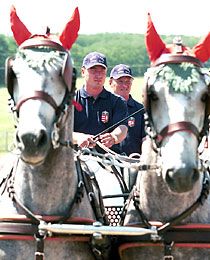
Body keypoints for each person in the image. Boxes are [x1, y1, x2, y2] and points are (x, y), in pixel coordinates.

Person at [73, 52, 128, 153]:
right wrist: (78, 138)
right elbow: (61, 131)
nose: (98, 75)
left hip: (109, 159)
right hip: (76, 157)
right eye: (93, 70)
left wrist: (114, 137)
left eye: (102, 71)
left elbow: (123, 128)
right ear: (83, 72)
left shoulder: (117, 101)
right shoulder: (71, 100)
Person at [109, 64, 145, 156]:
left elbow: (146, 139)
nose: (124, 85)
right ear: (110, 82)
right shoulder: (103, 106)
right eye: (120, 81)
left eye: (128, 81)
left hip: (134, 162)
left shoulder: (140, 109)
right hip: (108, 162)